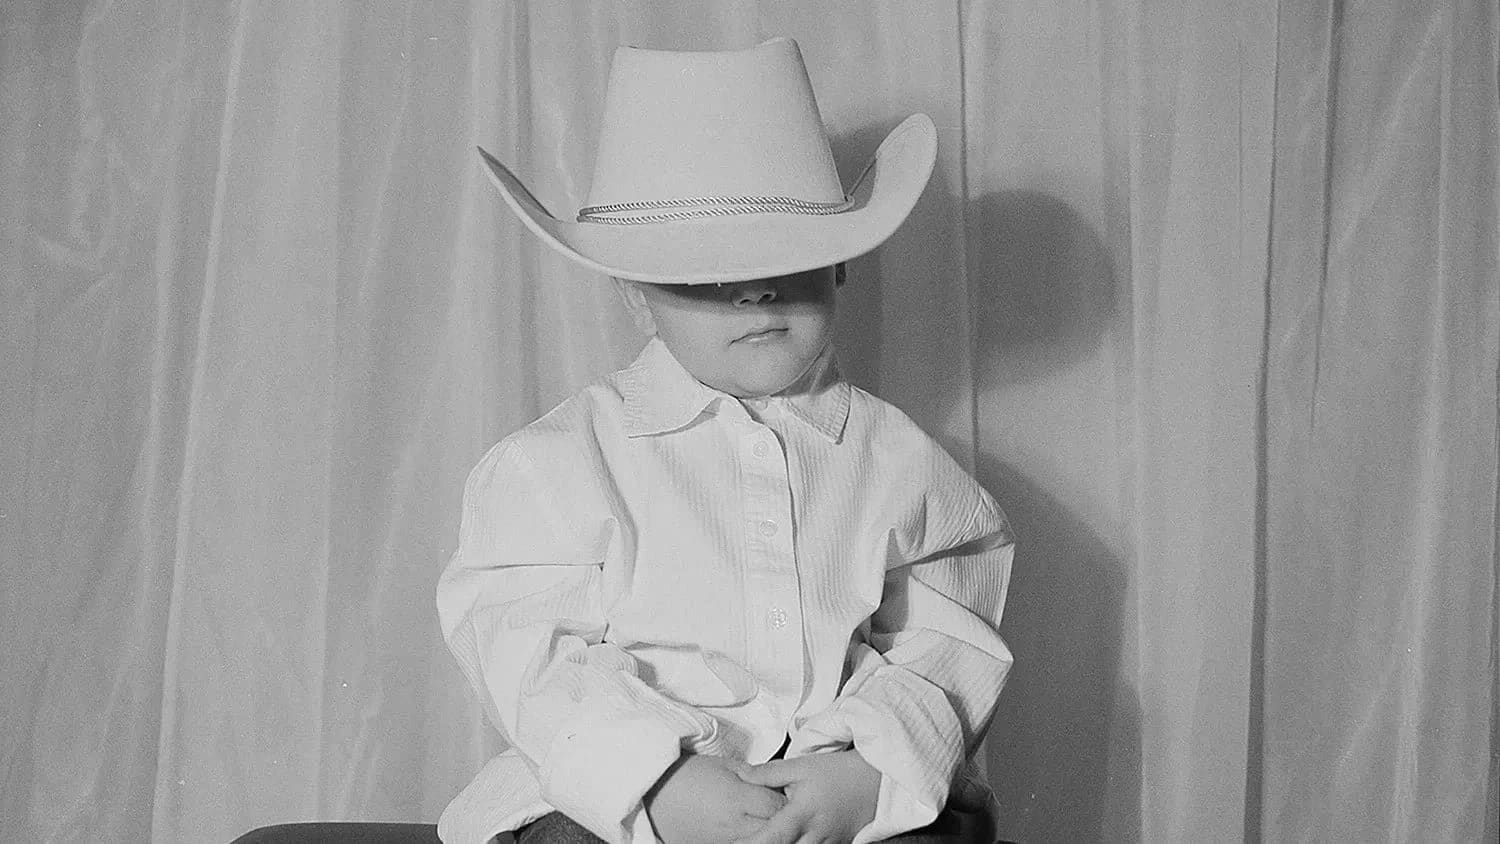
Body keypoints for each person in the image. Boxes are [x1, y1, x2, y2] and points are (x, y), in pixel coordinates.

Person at [437, 37, 1015, 844]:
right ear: (636, 298)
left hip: (829, 780)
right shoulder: (555, 465)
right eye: (702, 273)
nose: (756, 289)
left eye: (792, 260)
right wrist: (656, 778)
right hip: (625, 798)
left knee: (935, 832)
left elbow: (945, 641)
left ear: (842, 267)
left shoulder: (901, 462)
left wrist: (865, 767)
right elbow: (530, 655)